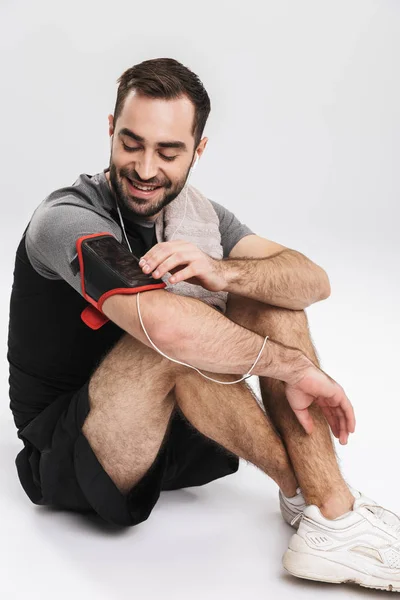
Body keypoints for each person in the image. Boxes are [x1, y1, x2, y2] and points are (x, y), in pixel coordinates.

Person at [7, 57, 400, 593]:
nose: (145, 168)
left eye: (168, 152)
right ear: (110, 130)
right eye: (131, 143)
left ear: (198, 150)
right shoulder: (66, 218)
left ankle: (328, 514)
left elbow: (313, 279)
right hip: (78, 451)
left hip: (179, 433)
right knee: (172, 333)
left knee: (268, 295)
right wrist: (295, 367)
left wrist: (222, 271)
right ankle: (323, 503)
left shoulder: (200, 216)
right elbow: (162, 326)